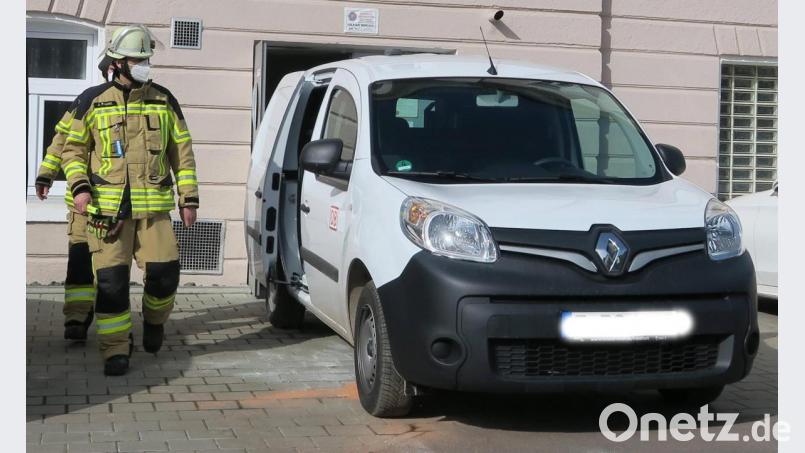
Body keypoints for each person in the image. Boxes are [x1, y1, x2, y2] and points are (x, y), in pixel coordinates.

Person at [60, 24, 199, 376]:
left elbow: (181, 153)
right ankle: (115, 349)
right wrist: (80, 188)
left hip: (153, 208)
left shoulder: (165, 100)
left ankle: (154, 321)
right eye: (138, 59)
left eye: (146, 59)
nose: (144, 65)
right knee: (111, 284)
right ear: (118, 63)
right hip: (106, 213)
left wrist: (189, 199)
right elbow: (72, 151)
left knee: (165, 274)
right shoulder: (94, 101)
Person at [35, 55, 117, 341]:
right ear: (109, 70)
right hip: (84, 204)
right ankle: (77, 318)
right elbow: (61, 140)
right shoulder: (86, 100)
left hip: (115, 205)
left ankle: (113, 325)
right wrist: (46, 174)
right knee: (80, 260)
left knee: (111, 267)